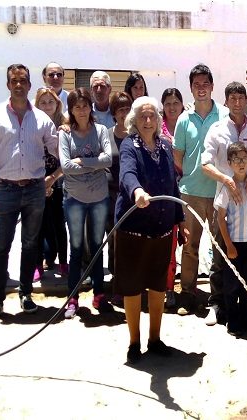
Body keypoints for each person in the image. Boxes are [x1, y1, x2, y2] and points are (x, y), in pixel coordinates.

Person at [0, 63, 58, 324]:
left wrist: (68, 136)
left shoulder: (43, 119)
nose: (19, 84)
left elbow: (58, 150)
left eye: (23, 80)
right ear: (7, 84)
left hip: (35, 189)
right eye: (14, 80)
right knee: (0, 246)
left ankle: (25, 294)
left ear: (29, 84)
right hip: (6, 190)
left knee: (30, 245)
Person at [115, 96, 188, 364]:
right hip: (133, 228)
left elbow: (172, 186)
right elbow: (127, 174)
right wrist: (137, 192)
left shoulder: (166, 147)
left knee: (158, 285)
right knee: (133, 287)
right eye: (143, 116)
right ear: (134, 121)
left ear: (159, 120)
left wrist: (179, 220)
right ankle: (134, 342)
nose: (148, 121)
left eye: (152, 116)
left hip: (162, 228)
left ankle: (154, 339)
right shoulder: (128, 146)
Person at [202, 82, 247, 323]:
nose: (238, 102)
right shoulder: (217, 129)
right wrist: (226, 179)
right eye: (233, 98)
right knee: (221, 254)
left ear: (246, 101)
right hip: (225, 201)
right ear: (227, 101)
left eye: (241, 97)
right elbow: (206, 163)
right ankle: (217, 304)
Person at [172, 64, 229, 321]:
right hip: (191, 192)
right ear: (191, 88)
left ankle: (219, 297)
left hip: (219, 193)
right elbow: (178, 155)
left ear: (212, 86)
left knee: (220, 247)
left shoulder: (225, 115)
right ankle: (187, 294)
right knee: (190, 247)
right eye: (196, 84)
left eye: (205, 83)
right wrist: (193, 175)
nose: (201, 88)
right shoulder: (184, 119)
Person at [59, 88, 114, 319]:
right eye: (76, 106)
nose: (81, 110)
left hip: (99, 197)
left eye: (84, 105)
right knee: (76, 248)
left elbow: (109, 158)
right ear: (70, 110)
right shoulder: (65, 134)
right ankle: (72, 297)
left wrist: (82, 161)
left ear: (90, 107)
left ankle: (99, 294)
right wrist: (94, 164)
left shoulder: (100, 130)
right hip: (74, 199)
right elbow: (65, 166)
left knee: (97, 245)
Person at [214, 141, 247, 335]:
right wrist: (228, 244)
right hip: (233, 244)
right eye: (236, 159)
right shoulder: (228, 187)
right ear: (229, 163)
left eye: (244, 159)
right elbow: (220, 217)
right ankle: (232, 318)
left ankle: (246, 315)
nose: (241, 163)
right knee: (231, 284)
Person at [33, 87, 68, 279]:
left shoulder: (64, 126)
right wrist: (42, 182)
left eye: (50, 102)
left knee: (59, 224)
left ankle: (63, 262)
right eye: (43, 102)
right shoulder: (32, 124)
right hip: (37, 179)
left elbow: (67, 159)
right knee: (37, 226)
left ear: (57, 104)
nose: (47, 106)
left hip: (58, 178)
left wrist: (52, 179)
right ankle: (37, 264)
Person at [106, 91, 133, 300]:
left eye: (127, 108)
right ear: (114, 113)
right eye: (120, 109)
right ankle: (116, 283)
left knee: (130, 240)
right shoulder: (106, 134)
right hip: (111, 195)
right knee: (114, 240)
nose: (124, 113)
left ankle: (131, 283)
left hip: (133, 196)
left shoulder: (137, 134)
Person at [160, 87, 186, 308]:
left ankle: (174, 286)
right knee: (163, 242)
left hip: (187, 189)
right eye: (167, 102)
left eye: (175, 102)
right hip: (164, 192)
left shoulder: (187, 123)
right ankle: (161, 286)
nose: (172, 106)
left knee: (180, 240)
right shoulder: (156, 127)